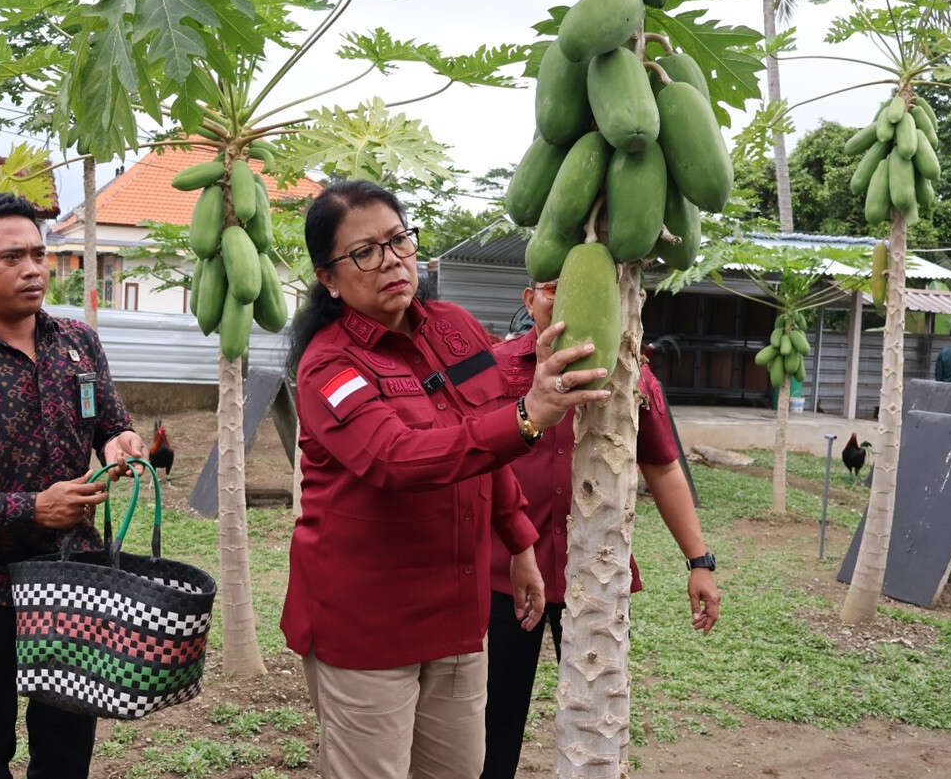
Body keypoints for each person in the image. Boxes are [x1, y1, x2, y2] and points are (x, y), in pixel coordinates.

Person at [282, 180, 607, 779]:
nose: (391, 261)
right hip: (367, 626)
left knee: (459, 769)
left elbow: (483, 445)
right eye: (364, 252)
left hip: (458, 613)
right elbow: (396, 458)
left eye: (398, 240)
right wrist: (526, 417)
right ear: (328, 277)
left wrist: (519, 544)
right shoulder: (328, 365)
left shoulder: (454, 327)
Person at [480, 279, 721, 779]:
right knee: (490, 731)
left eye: (579, 287)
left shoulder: (633, 374)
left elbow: (663, 467)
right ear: (528, 301)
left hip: (595, 583)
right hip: (504, 579)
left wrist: (699, 562)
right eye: (552, 290)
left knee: (596, 724)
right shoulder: (497, 367)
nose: (568, 299)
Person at [0, 194, 146, 778]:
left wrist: (120, 445)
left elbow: (112, 423)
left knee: (66, 746)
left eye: (38, 253)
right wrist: (31, 508)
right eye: (12, 257)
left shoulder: (77, 342)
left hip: (71, 581)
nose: (33, 269)